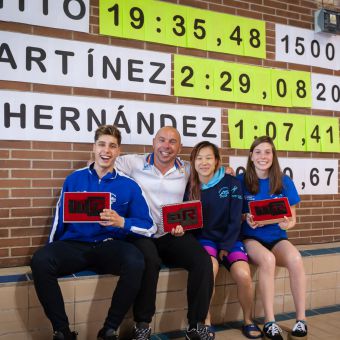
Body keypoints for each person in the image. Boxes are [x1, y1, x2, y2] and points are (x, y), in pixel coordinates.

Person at [30, 125, 156, 340]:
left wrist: (122, 222)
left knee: (136, 261)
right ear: (94, 147)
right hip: (75, 245)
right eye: (102, 144)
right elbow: (58, 220)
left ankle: (109, 329)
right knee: (41, 260)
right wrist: (52, 248)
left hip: (109, 246)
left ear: (118, 151)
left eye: (112, 146)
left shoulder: (129, 185)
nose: (106, 150)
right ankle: (62, 331)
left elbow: (150, 226)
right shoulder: (74, 179)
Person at [115, 126, 214, 340]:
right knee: (149, 261)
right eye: (162, 140)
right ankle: (142, 325)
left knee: (202, 261)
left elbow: (211, 172)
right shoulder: (133, 163)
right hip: (143, 233)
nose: (166, 146)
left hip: (172, 234)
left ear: (179, 147)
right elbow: (102, 164)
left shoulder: (186, 168)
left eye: (172, 142)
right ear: (153, 142)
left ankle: (196, 325)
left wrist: (227, 172)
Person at [186, 141, 262, 339]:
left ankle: (248, 320)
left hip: (231, 240)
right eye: (199, 158)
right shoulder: (191, 186)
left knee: (244, 275)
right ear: (193, 162)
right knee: (209, 269)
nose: (203, 162)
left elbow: (235, 218)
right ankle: (206, 321)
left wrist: (227, 247)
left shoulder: (232, 183)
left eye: (208, 158)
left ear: (217, 161)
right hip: (206, 240)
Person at [237, 136, 307, 340]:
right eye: (258, 152)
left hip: (277, 237)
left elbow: (292, 218)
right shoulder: (241, 181)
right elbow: (235, 214)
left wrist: (288, 223)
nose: (263, 156)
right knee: (268, 260)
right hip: (251, 238)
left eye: (267, 152)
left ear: (273, 156)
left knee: (295, 259)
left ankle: (301, 320)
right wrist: (245, 217)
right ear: (251, 156)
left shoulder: (283, 181)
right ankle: (270, 322)